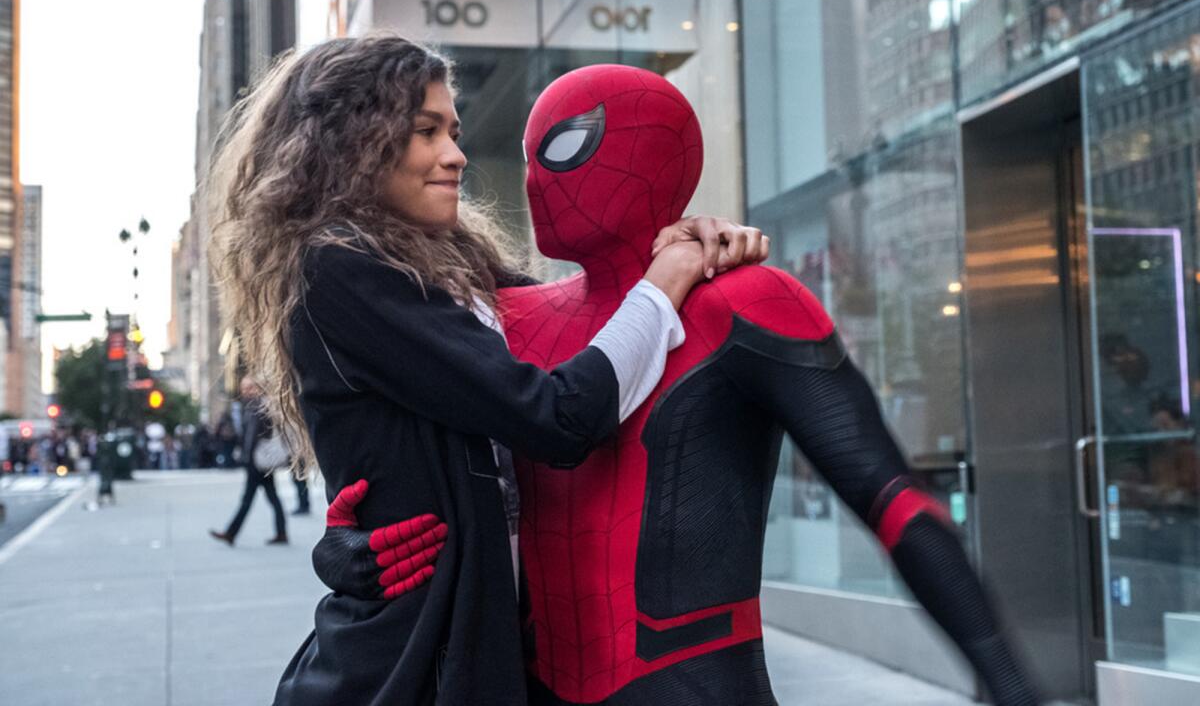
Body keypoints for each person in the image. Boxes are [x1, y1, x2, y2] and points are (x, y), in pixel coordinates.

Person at [318, 65, 1039, 705]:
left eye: (564, 146)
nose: (536, 176)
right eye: (532, 153)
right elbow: (389, 433)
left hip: (692, 679)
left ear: (656, 153)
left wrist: (1008, 678)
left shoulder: (742, 302)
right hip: (522, 681)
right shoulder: (498, 315)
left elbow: (889, 498)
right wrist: (351, 546)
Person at [206, 35, 764, 705]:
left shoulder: (450, 262)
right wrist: (664, 280)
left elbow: (587, 333)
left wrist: (682, 248)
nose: (456, 155)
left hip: (495, 647)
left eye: (456, 131)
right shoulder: (343, 270)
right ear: (355, 143)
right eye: (426, 132)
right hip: (408, 669)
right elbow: (557, 414)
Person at [208, 376, 288, 546]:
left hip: (256, 460)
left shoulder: (256, 406)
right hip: (260, 460)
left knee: (248, 499)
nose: (246, 391)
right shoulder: (257, 406)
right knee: (272, 497)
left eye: (250, 387)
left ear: (258, 388)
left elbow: (251, 435)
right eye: (244, 388)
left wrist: (246, 457)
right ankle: (281, 532)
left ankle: (231, 533)